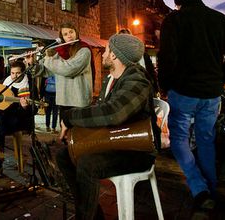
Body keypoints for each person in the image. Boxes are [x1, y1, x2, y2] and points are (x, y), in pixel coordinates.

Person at [158, 0, 225, 211]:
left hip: (183, 92)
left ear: (178, 3)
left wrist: (164, 86)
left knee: (179, 140)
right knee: (206, 139)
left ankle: (199, 188)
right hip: (211, 93)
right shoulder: (221, 20)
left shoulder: (174, 20)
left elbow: (167, 58)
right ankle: (211, 190)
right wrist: (220, 78)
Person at [55, 33, 158, 220]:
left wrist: (69, 117)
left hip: (136, 150)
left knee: (88, 163)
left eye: (107, 50)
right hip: (117, 141)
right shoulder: (114, 79)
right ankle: (93, 214)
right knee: (65, 154)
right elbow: (101, 111)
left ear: (115, 56)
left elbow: (114, 113)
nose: (103, 53)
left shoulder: (138, 80)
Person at [27, 22, 94, 125]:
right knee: (65, 136)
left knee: (79, 136)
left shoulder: (84, 50)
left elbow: (69, 69)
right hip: (64, 101)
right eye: (65, 34)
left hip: (79, 101)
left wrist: (46, 58)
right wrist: (32, 63)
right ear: (62, 37)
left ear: (76, 32)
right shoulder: (60, 51)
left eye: (71, 32)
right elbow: (45, 71)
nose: (69, 36)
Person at [0, 61, 32, 182]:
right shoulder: (5, 81)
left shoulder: (29, 85)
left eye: (18, 73)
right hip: (4, 120)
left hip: (19, 120)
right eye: (12, 73)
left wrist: (24, 107)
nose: (15, 76)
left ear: (23, 72)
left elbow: (31, 113)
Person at [118, 28, 159, 94]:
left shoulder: (143, 55)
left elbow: (151, 73)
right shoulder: (117, 58)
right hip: (126, 90)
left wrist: (156, 89)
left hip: (144, 89)